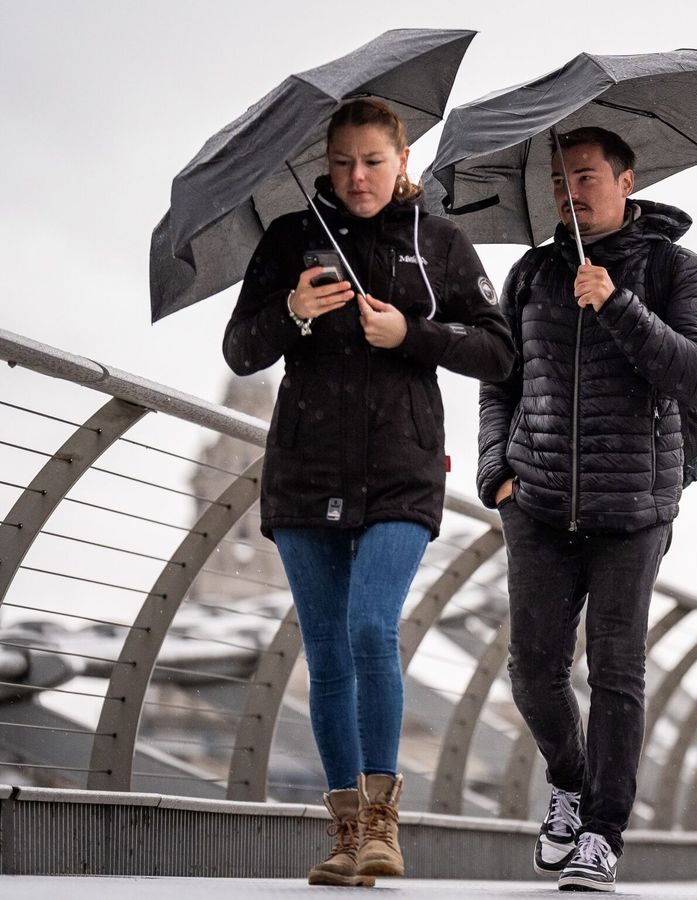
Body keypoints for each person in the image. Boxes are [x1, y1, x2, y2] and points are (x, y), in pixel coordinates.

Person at [223, 98, 516, 887]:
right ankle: (347, 833)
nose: (358, 176)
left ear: (402, 162)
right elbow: (241, 348)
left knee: (368, 625)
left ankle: (385, 820)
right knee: (325, 653)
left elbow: (499, 351)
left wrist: (411, 335)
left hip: (401, 473)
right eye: (345, 161)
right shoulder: (291, 239)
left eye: (374, 161)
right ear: (327, 160)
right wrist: (291, 311)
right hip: (304, 471)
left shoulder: (440, 243)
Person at [477, 126, 697, 893]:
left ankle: (601, 835)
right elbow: (499, 382)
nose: (570, 191)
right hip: (540, 502)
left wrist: (617, 304)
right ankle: (571, 778)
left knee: (617, 669)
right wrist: (497, 473)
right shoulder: (529, 275)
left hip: (636, 506)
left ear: (626, 179)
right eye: (558, 180)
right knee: (533, 671)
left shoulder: (678, 269)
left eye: (584, 175)